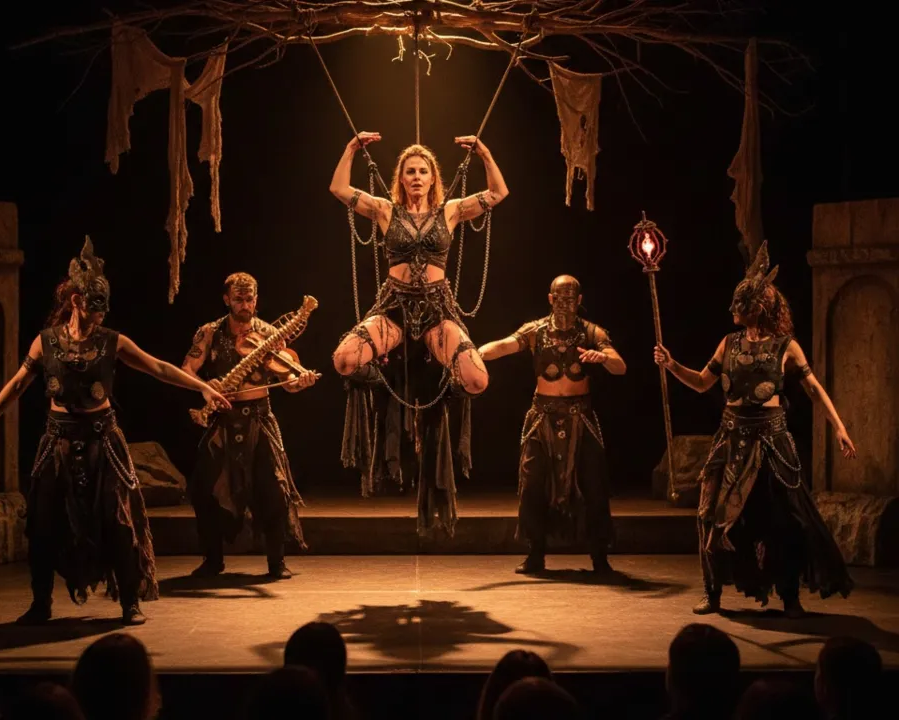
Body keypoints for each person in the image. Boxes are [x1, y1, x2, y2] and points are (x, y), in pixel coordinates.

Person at [0, 238, 231, 625]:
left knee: (117, 521)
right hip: (57, 442)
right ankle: (41, 603)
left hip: (102, 442)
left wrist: (203, 387)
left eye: (103, 308)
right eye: (93, 307)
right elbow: (18, 383)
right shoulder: (46, 342)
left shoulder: (112, 341)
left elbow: (158, 367)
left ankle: (129, 602)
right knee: (43, 523)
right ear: (75, 301)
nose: (100, 315)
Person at [653, 241, 856, 617]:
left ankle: (790, 596)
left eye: (740, 304)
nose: (733, 310)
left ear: (758, 307)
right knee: (711, 516)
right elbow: (702, 383)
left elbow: (814, 389)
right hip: (731, 442)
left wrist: (840, 427)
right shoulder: (728, 344)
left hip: (771, 444)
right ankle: (712, 592)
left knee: (786, 522)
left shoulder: (786, 347)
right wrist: (671, 364)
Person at [330, 132, 508, 535]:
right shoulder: (384, 210)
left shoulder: (451, 211)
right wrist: (351, 149)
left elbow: (498, 193)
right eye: (410, 171)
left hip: (436, 310)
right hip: (394, 306)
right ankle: (385, 386)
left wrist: (484, 153)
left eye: (422, 171)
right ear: (401, 177)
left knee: (477, 380)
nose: (416, 177)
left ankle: (440, 390)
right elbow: (339, 189)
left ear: (432, 178)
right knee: (344, 359)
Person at [479, 276, 625, 574]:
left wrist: (603, 357)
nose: (564, 303)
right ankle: (535, 553)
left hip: (580, 418)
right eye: (559, 297)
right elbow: (504, 346)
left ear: (579, 300)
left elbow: (619, 366)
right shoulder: (535, 331)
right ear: (550, 298)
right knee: (532, 484)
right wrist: (474, 353)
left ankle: (599, 556)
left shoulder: (591, 332)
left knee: (594, 485)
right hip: (542, 418)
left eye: (571, 298)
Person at [182, 272, 316, 579]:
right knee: (205, 489)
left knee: (273, 490)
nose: (245, 304)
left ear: (256, 299)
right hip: (222, 419)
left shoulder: (269, 334)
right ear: (227, 299)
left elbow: (287, 380)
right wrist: (206, 388)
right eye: (239, 299)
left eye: (250, 298)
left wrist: (300, 381)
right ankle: (213, 560)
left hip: (259, 418)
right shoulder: (209, 332)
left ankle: (276, 562)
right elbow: (187, 368)